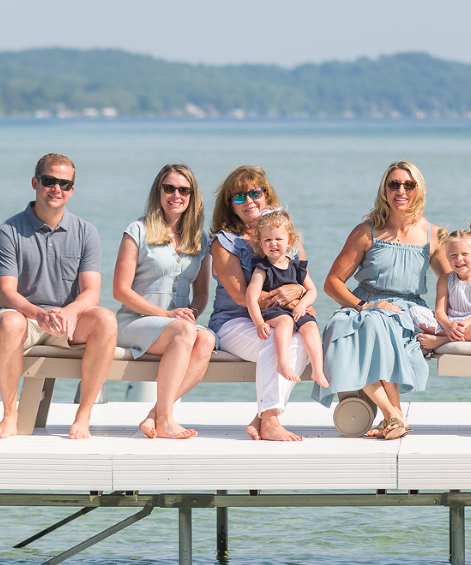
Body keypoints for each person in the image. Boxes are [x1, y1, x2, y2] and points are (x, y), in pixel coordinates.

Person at [315, 161, 449, 440]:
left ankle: (391, 415)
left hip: (407, 308)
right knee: (340, 328)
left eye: (408, 184)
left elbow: (451, 282)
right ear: (384, 190)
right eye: (394, 184)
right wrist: (363, 306)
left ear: (418, 190)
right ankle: (393, 414)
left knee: (380, 323)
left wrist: (448, 322)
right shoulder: (366, 231)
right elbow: (332, 283)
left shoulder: (432, 235)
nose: (401, 190)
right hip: (363, 303)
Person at [0, 153, 117, 439]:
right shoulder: (8, 231)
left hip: (66, 321)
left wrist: (69, 312)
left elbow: (91, 293)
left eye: (64, 183)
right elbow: (7, 292)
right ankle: (10, 415)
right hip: (25, 319)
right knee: (8, 323)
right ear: (35, 183)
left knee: (106, 319)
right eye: (49, 181)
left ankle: (82, 417)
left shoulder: (87, 232)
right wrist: (39, 314)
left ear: (72, 190)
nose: (56, 188)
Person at [207, 165, 313, 441]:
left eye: (255, 193)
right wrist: (289, 294)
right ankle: (270, 421)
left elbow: (305, 286)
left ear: (267, 196)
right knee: (276, 341)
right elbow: (242, 296)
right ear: (230, 206)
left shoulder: (285, 238)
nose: (249, 201)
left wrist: (300, 295)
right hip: (234, 322)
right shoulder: (224, 243)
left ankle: (264, 418)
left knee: (300, 342)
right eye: (239, 197)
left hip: (278, 318)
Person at [112, 163, 215, 439]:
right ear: (158, 191)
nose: (176, 195)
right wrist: (167, 316)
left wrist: (191, 312)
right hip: (133, 323)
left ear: (192, 196)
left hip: (176, 328)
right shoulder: (137, 231)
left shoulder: (200, 239)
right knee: (185, 331)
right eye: (169, 188)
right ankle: (166, 420)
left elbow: (202, 294)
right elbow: (120, 290)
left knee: (206, 339)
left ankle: (154, 414)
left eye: (183, 190)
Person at [246, 209, 329, 388]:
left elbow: (312, 290)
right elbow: (251, 298)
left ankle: (317, 369)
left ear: (289, 241)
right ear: (260, 244)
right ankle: (282, 362)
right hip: (273, 310)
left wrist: (303, 305)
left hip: (296, 308)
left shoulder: (296, 266)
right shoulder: (262, 269)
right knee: (286, 322)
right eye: (267, 240)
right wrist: (259, 323)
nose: (273, 243)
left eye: (278, 239)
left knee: (311, 325)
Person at [414, 222, 471, 350]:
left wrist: (464, 324)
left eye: (465, 254)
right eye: (453, 255)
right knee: (414, 311)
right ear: (447, 257)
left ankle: (443, 340)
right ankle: (468, 337)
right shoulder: (444, 280)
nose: (459, 259)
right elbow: (440, 311)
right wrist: (448, 326)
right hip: (450, 322)